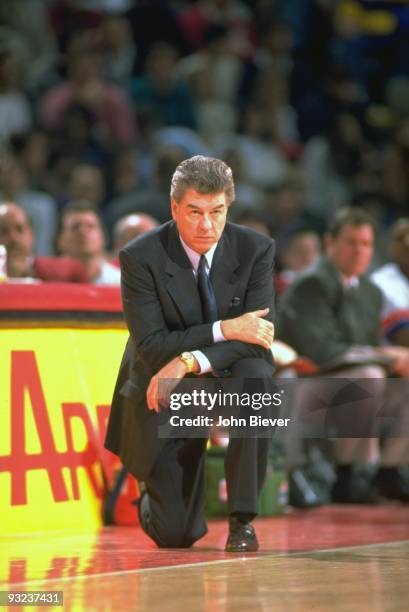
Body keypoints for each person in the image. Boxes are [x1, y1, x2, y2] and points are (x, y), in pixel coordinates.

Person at [105, 155, 276, 551]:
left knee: (256, 377)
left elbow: (259, 336)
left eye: (217, 211)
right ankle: (153, 492)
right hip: (162, 388)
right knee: (176, 535)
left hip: (215, 375)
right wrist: (225, 328)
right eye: (195, 211)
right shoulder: (140, 257)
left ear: (228, 208)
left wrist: (190, 359)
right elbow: (151, 346)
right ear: (174, 207)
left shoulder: (256, 249)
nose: (207, 224)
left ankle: (242, 520)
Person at [277, 207, 409, 503]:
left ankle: (388, 471)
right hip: (303, 383)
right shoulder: (312, 283)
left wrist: (393, 361)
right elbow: (323, 351)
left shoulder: (370, 291)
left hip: (341, 383)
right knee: (370, 375)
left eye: (365, 244)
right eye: (351, 242)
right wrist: (389, 357)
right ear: (330, 243)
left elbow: (365, 346)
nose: (359, 251)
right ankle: (346, 475)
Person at [0, 201, 87, 282]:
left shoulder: (68, 274)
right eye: (3, 231)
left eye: (20, 229)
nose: (13, 238)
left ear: (32, 234)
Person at [57, 200, 120, 285]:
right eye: (75, 227)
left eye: (90, 226)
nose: (83, 232)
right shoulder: (46, 280)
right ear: (60, 239)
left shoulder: (119, 283)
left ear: (102, 236)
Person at [371, 218, 409, 346]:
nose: (407, 244)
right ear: (392, 247)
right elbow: (403, 334)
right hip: (391, 356)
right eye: (401, 239)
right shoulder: (379, 281)